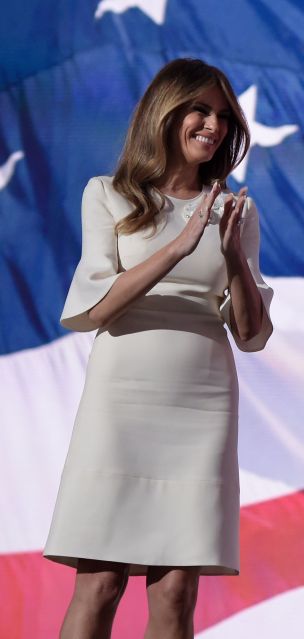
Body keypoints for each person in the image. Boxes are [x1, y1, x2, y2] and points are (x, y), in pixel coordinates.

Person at [44, 58, 273, 638]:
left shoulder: (235, 211)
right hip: (121, 399)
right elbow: (94, 309)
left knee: (175, 592)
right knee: (100, 581)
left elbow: (251, 335)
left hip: (202, 401)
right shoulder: (109, 195)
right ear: (165, 114)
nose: (213, 125)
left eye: (223, 116)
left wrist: (235, 259)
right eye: (200, 110)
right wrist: (177, 246)